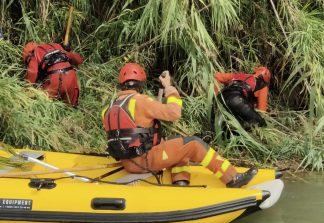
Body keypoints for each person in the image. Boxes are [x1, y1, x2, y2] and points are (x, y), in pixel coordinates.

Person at [102, 63, 257, 187]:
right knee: (194, 144)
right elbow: (174, 113)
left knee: (177, 143)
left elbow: (130, 134)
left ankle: (180, 181)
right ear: (141, 83)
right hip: (146, 161)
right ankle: (232, 178)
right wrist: (169, 87)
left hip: (129, 163)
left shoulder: (110, 108)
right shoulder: (141, 101)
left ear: (121, 84)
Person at [22, 42, 84, 106]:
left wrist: (27, 89)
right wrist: (69, 51)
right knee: (71, 107)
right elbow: (79, 60)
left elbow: (33, 73)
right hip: (71, 75)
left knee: (44, 105)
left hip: (55, 78)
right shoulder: (56, 46)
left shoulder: (33, 53)